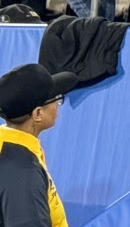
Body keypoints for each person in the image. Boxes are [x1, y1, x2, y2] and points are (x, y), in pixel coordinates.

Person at [0, 62, 74, 227]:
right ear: (38, 113)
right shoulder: (22, 171)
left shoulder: (10, 147)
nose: (57, 105)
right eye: (56, 99)